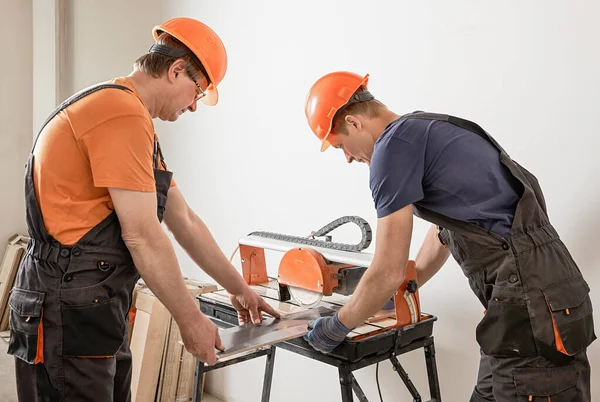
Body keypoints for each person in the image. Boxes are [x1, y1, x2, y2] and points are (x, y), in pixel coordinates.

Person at [7, 17, 279, 401]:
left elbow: (183, 220)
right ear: (176, 70)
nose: (195, 107)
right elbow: (143, 236)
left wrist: (240, 289)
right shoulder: (120, 113)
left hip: (92, 303)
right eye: (197, 92)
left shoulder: (132, 117)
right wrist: (191, 321)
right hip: (66, 306)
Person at [302, 71, 595, 401]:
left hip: (530, 312)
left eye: (341, 145)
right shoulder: (426, 130)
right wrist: (405, 288)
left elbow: (387, 270)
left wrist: (339, 324)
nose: (348, 158)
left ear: (354, 123)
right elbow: (447, 229)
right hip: (536, 301)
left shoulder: (390, 151)